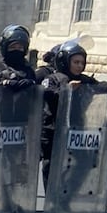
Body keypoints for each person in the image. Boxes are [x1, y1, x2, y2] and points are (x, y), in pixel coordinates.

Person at [39, 39, 99, 188]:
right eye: (76, 62)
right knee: (51, 165)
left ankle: (68, 193)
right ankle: (51, 198)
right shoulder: (52, 78)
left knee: (84, 161)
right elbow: (48, 93)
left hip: (76, 129)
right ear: (65, 61)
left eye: (82, 62)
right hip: (53, 130)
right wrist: (67, 90)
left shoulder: (84, 80)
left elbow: (102, 87)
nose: (79, 66)